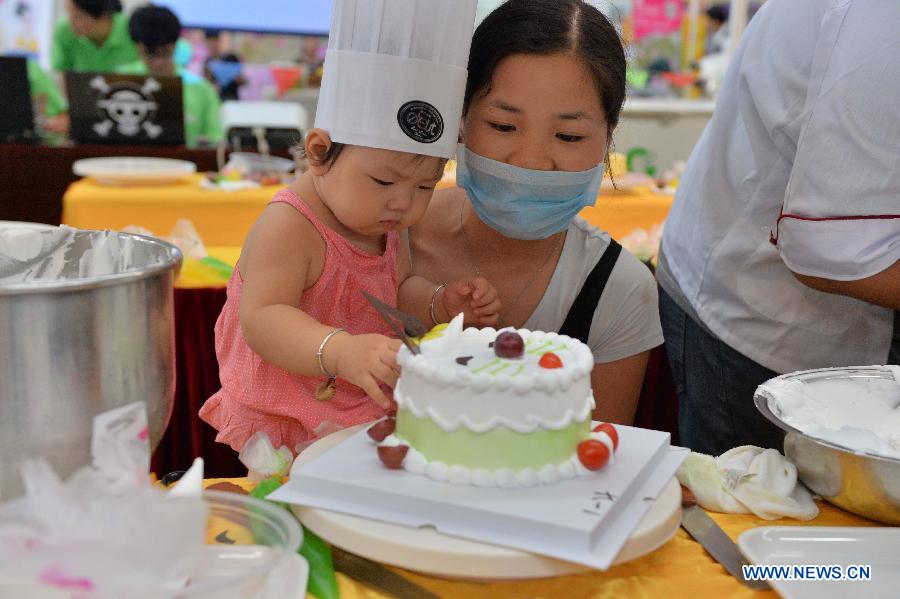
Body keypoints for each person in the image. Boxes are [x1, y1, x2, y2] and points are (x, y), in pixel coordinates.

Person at [199, 0, 494, 454]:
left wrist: (439, 302)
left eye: (425, 186)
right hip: (286, 410)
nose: (404, 202)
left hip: (358, 400)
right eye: (383, 180)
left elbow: (393, 292)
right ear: (319, 152)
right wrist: (341, 352)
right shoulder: (290, 225)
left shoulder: (387, 218)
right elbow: (263, 317)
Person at [657, 0, 900, 456]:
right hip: (761, 324)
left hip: (827, 309)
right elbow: (833, 253)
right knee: (755, 504)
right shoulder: (881, 21)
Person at [409, 0, 664, 426]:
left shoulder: (619, 292)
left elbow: (601, 456)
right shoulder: (387, 236)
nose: (531, 161)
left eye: (568, 135)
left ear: (607, 138)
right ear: (461, 117)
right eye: (503, 126)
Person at [118, 5, 222, 147]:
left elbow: (215, 142)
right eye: (149, 54)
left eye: (164, 53)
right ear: (137, 47)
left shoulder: (201, 89)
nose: (157, 63)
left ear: (175, 45)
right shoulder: (120, 80)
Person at [51, 0, 138, 73]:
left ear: (104, 16)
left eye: (79, 16)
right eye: (69, 14)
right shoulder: (64, 31)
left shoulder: (131, 29)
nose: (71, 23)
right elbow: (62, 74)